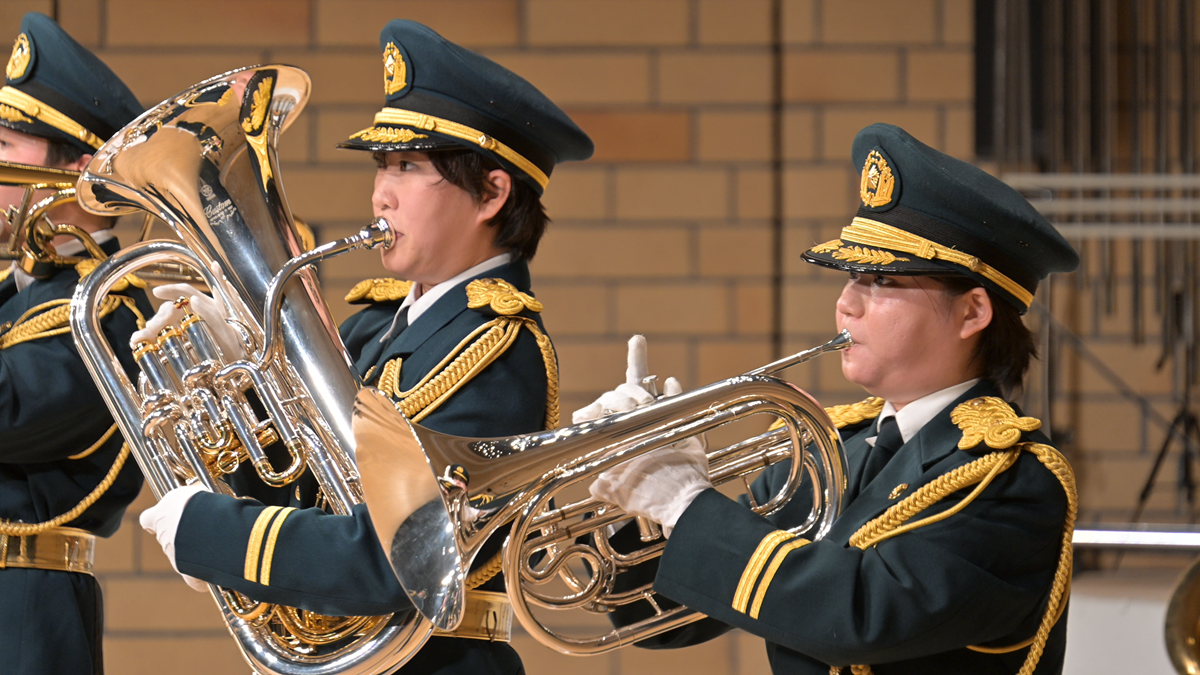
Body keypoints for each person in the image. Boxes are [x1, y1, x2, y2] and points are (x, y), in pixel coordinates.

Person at [137, 19, 593, 675]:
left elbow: (394, 559)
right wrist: (240, 386)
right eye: (381, 165)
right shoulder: (369, 328)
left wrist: (211, 531)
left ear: (492, 192)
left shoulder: (497, 348)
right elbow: (300, 493)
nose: (381, 193)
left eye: (409, 167)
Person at [580, 123, 1080, 674]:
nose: (846, 303)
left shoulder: (1013, 481)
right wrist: (635, 492)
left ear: (972, 312)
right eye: (849, 277)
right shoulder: (826, 451)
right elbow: (662, 617)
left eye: (882, 281)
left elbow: (861, 615)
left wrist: (686, 502)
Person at [0, 12, 151, 675]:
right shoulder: (18, 291)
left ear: (80, 172)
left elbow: (7, 411)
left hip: (24, 611)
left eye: (6, 147)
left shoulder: (107, 309)